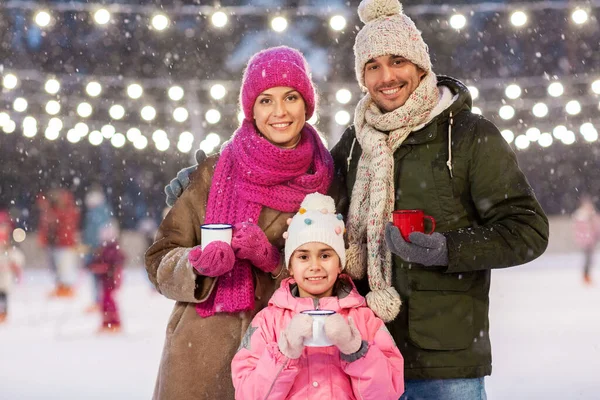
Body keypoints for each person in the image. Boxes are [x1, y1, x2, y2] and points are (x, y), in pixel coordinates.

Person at [163, 2, 549, 398]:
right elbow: (303, 187)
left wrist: (449, 250)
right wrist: (208, 180)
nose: (387, 77)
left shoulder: (468, 137)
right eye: (372, 66)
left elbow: (527, 229)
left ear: (420, 65)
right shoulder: (354, 143)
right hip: (357, 355)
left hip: (442, 358)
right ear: (362, 77)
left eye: (397, 61)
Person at [145, 46, 343, 400]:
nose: (279, 112)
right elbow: (160, 258)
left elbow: (340, 275)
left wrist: (273, 262)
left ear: (307, 104)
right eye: (266, 100)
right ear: (251, 108)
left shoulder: (327, 179)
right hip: (198, 358)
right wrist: (196, 264)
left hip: (283, 360)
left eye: (291, 97)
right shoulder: (213, 172)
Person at [231, 193, 404, 400]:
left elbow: (388, 393)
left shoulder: (364, 319)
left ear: (340, 263)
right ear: (291, 266)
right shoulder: (268, 322)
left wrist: (356, 350)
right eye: (303, 256)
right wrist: (283, 354)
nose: (315, 266)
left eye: (325, 255)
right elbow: (248, 395)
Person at [37, 188, 81, 298]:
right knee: (57, 267)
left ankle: (67, 288)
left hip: (64, 244)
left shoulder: (66, 211)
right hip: (56, 244)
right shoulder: (53, 211)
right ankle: (61, 287)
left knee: (65, 266)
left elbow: (65, 226)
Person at [89, 219, 125, 333]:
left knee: (109, 302)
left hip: (111, 280)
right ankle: (106, 322)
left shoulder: (113, 250)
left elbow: (111, 265)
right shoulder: (103, 249)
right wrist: (92, 265)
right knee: (105, 301)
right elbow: (98, 261)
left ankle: (114, 322)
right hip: (105, 281)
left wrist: (100, 267)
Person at [82, 186, 113, 312]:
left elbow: (97, 233)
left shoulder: (97, 214)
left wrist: (96, 247)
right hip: (97, 249)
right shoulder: (103, 212)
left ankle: (99, 301)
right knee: (100, 277)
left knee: (99, 276)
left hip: (97, 250)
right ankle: (100, 301)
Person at [0, 211, 25, 323]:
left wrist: (14, 265)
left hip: (5, 276)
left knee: (3, 295)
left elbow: (18, 259)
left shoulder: (10, 248)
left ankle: (3, 312)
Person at [572, 195, 600, 285]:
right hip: (586, 241)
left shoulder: (592, 215)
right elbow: (579, 230)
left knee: (590, 259)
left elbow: (597, 227)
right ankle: (586, 276)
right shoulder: (580, 216)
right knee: (588, 259)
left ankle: (587, 275)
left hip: (592, 241)